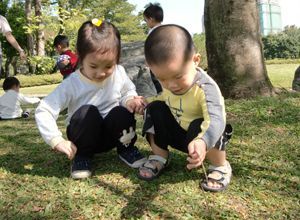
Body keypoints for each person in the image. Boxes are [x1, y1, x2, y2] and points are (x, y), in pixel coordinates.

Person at [35, 19, 147, 179]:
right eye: (93, 66)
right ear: (80, 56)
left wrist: (130, 100)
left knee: (121, 112)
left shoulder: (119, 72)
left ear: (117, 57)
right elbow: (44, 109)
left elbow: (128, 91)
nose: (101, 73)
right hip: (83, 138)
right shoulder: (72, 83)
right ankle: (82, 157)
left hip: (113, 137)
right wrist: (56, 139)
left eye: (109, 66)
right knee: (89, 112)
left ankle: (126, 149)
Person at [139, 24, 233, 192]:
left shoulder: (206, 88)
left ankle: (220, 166)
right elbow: (162, 98)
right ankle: (159, 157)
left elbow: (216, 119)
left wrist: (202, 141)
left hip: (203, 138)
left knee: (208, 123)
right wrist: (144, 102)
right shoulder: (169, 84)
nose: (171, 85)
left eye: (178, 76)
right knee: (154, 109)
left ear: (195, 60)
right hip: (180, 135)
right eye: (162, 79)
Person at [143, 3, 163, 94]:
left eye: (145, 20)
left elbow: (151, 47)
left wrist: (148, 60)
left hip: (155, 62)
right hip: (164, 61)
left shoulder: (153, 32)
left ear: (150, 19)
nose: (146, 23)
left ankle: (161, 96)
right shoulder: (165, 28)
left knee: (157, 81)